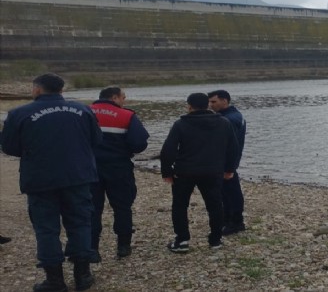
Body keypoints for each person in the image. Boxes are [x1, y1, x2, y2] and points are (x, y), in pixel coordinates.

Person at [1, 73, 102, 292]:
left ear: (36, 89)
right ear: (61, 90)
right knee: (80, 223)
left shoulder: (19, 113)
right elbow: (96, 140)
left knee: (46, 229)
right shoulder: (84, 110)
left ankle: (55, 280)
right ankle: (82, 275)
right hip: (78, 176)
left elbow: (8, 147)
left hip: (40, 179)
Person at [160, 93, 239, 252]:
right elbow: (233, 148)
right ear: (207, 105)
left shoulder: (181, 124)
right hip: (212, 171)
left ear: (189, 106)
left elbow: (168, 150)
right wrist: (230, 169)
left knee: (180, 205)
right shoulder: (223, 123)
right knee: (215, 205)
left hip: (184, 171)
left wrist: (167, 172)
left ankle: (182, 240)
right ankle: (216, 239)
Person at [89, 86, 149, 262]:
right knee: (122, 207)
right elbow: (139, 144)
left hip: (89, 168)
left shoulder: (84, 113)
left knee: (92, 209)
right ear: (114, 97)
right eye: (123, 97)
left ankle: (92, 249)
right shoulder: (126, 115)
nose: (124, 100)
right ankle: (123, 246)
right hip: (118, 167)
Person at [208, 89, 247, 235]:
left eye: (214, 102)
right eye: (210, 102)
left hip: (227, 162)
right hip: (223, 161)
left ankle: (236, 222)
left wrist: (230, 165)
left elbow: (230, 144)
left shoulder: (231, 119)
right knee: (224, 192)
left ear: (225, 101)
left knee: (231, 192)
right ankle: (228, 219)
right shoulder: (227, 116)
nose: (211, 105)